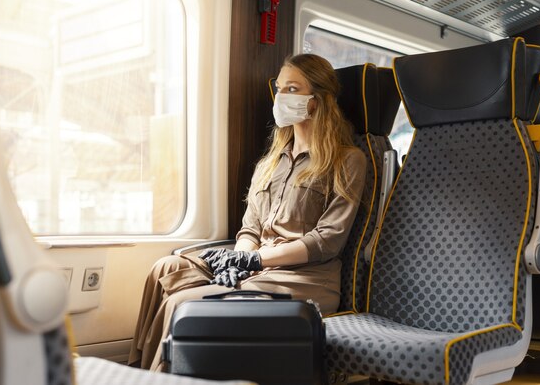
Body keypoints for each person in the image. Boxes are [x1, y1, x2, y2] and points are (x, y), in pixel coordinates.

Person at [128, 53, 367, 371]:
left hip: (304, 279)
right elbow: (250, 230)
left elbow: (328, 240)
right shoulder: (268, 164)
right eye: (280, 88)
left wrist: (255, 261)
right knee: (164, 268)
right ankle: (140, 372)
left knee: (180, 303)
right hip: (257, 268)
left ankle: (161, 376)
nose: (281, 97)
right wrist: (240, 260)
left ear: (317, 99)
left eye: (292, 89)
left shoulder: (348, 160)